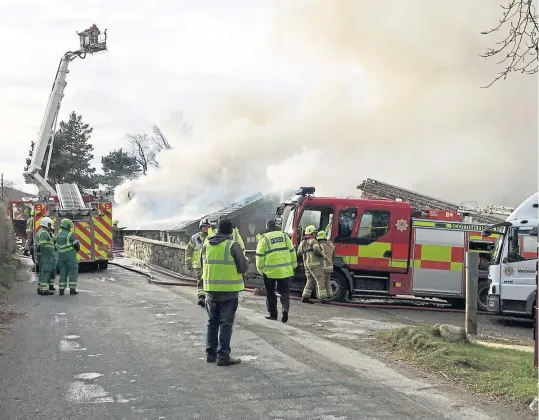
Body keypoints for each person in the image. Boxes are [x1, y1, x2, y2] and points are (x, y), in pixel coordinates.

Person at [202, 218, 248, 366]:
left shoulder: (207, 243)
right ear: (230, 231)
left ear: (218, 230)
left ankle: (211, 354)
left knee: (212, 322)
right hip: (229, 291)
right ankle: (223, 356)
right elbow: (242, 267)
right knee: (226, 324)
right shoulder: (232, 245)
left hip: (210, 290)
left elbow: (203, 263)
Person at [256, 219, 297, 323]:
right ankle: (285, 309)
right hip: (284, 270)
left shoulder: (264, 238)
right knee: (284, 291)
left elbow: (260, 255)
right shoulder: (284, 236)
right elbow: (292, 250)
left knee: (270, 293)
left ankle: (273, 314)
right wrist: (293, 264)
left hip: (270, 271)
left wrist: (260, 269)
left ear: (267, 227)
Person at [185, 218, 211, 307]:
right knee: (200, 280)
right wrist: (188, 262)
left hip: (209, 263)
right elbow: (189, 250)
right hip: (199, 264)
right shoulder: (195, 238)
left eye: (207, 227)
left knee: (209, 281)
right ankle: (201, 297)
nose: (206, 229)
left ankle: (210, 298)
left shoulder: (212, 237)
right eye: (204, 227)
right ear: (201, 227)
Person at [298, 225, 327, 303]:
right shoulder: (313, 241)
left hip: (306, 264)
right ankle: (323, 298)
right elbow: (316, 250)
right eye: (314, 233)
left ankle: (305, 297)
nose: (315, 235)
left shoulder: (303, 242)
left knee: (310, 280)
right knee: (320, 279)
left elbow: (299, 252)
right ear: (311, 233)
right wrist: (323, 255)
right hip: (314, 263)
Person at [56, 218, 81, 295]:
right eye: (70, 226)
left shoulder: (58, 235)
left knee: (63, 273)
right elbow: (76, 246)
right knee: (73, 272)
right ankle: (72, 290)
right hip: (70, 257)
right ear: (67, 226)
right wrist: (77, 246)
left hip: (61, 258)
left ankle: (61, 290)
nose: (70, 227)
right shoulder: (70, 234)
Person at [36, 217, 56, 296]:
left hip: (45, 256)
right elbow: (42, 245)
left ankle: (41, 288)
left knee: (43, 272)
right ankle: (44, 290)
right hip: (46, 256)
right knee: (46, 272)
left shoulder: (43, 232)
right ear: (47, 224)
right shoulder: (44, 233)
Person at [317, 230, 335, 299]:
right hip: (330, 267)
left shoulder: (321, 246)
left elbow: (318, 255)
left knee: (321, 283)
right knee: (327, 282)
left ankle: (322, 297)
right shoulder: (331, 246)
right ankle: (330, 295)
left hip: (323, 268)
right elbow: (333, 256)